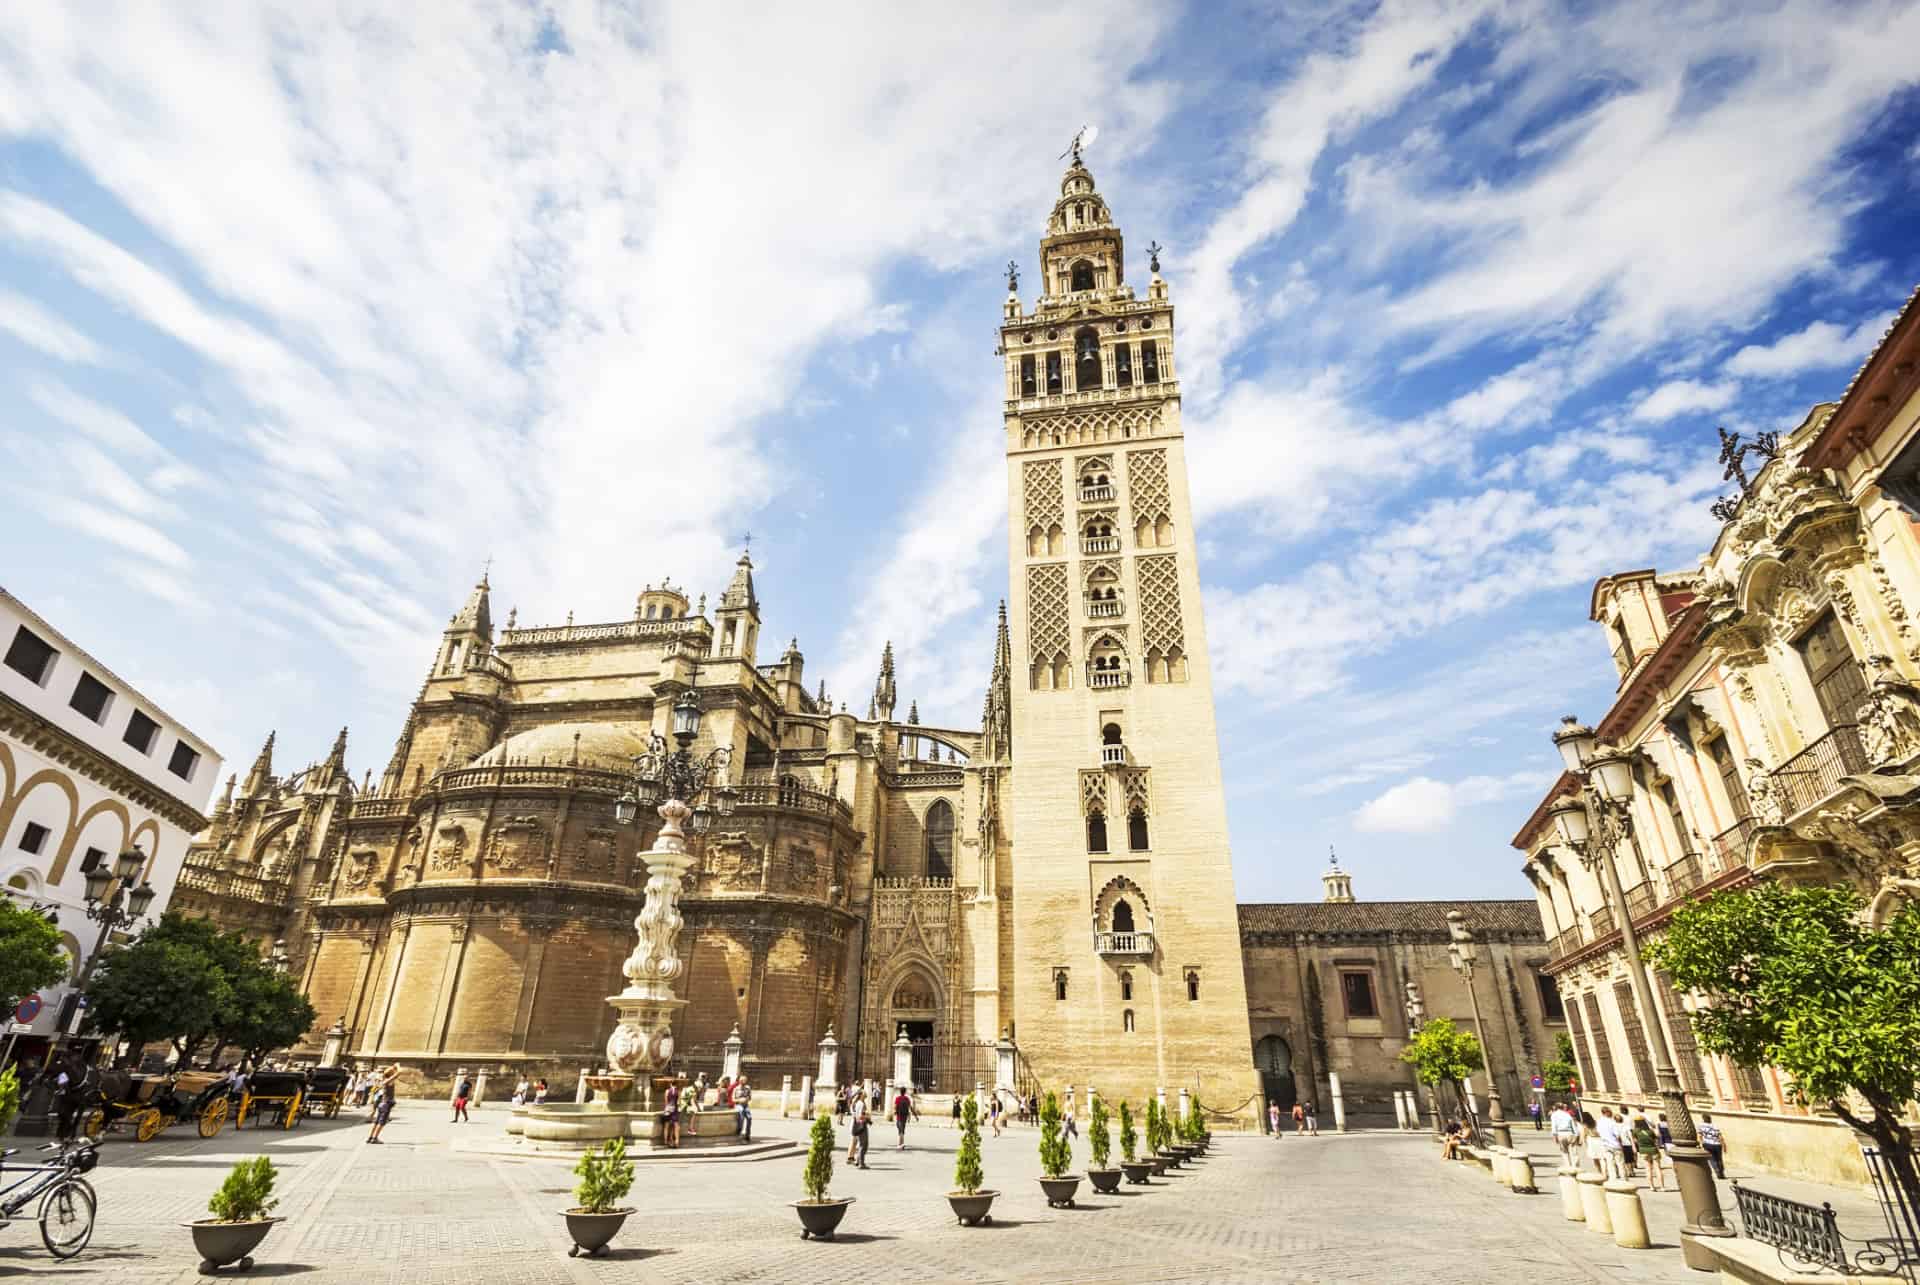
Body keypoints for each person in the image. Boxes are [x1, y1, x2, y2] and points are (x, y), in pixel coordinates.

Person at [367, 1065, 399, 1144]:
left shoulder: (384, 1081)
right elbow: (399, 1073)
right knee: (381, 1122)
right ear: (391, 1074)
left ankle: (370, 1137)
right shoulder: (388, 1081)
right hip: (386, 1104)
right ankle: (375, 1138)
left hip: (382, 1104)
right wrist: (397, 1066)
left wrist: (393, 1068)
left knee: (377, 1122)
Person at [1632, 1112, 1665, 1191]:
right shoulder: (1650, 1131)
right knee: (1658, 1168)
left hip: (1643, 1151)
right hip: (1653, 1150)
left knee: (1648, 1169)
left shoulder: (1635, 1131)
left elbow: (1635, 1140)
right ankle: (1662, 1187)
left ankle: (1651, 1186)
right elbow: (1656, 1138)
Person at [1549, 1101, 1578, 1166]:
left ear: (1556, 1108)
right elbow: (1573, 1124)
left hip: (1561, 1134)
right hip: (1570, 1133)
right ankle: (1575, 1166)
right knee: (1573, 1152)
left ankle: (1568, 1166)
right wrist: (1576, 1134)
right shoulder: (1567, 1114)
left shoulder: (1554, 1115)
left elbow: (1554, 1126)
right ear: (1562, 1107)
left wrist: (1555, 1137)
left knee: (1564, 1152)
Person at [1698, 1113, 1726, 1178]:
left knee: (1712, 1159)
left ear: (1703, 1119)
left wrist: (1701, 1143)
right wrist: (1724, 1145)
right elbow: (1720, 1136)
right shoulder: (1715, 1126)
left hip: (1707, 1144)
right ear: (1710, 1119)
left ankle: (1717, 1172)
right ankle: (1721, 1172)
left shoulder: (1700, 1126)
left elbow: (1700, 1136)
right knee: (1719, 1159)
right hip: (1717, 1144)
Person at [847, 1093, 869, 1168]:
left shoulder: (860, 1103)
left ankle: (857, 1160)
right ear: (862, 1095)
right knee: (862, 1144)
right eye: (865, 1093)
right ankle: (858, 1162)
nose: (866, 1094)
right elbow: (860, 1116)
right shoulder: (860, 1104)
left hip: (857, 1125)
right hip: (860, 1125)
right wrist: (867, 1117)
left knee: (858, 1143)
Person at [892, 1084, 912, 1150]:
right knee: (902, 1130)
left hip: (899, 1116)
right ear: (905, 1092)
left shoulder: (897, 1098)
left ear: (900, 1092)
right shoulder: (907, 1099)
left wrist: (894, 1112)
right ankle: (901, 1143)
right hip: (905, 1116)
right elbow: (909, 1107)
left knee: (900, 1131)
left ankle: (901, 1144)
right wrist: (910, 1116)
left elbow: (895, 1107)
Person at [661, 1082, 680, 1149]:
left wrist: (667, 1109)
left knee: (666, 1126)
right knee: (676, 1126)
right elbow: (678, 1102)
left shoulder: (667, 1091)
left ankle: (666, 1141)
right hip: (674, 1110)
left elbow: (666, 1102)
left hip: (668, 1110)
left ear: (671, 1084)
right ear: (676, 1085)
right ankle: (676, 1142)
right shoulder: (678, 1091)